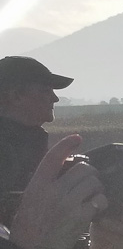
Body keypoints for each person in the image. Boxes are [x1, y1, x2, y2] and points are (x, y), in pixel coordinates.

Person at [0, 56, 74, 224]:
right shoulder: (6, 149)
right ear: (16, 96)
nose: (55, 98)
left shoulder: (28, 141)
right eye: (45, 90)